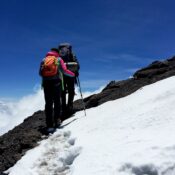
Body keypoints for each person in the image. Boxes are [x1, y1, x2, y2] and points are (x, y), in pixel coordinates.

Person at [39, 48, 75, 133]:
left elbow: (40, 73)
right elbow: (64, 71)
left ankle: (49, 125)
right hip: (57, 83)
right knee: (57, 102)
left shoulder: (44, 60)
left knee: (48, 103)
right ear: (57, 52)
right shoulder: (59, 59)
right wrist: (73, 74)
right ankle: (57, 121)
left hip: (46, 84)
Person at [58, 43, 80, 117]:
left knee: (62, 92)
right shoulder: (72, 55)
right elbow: (78, 66)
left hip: (61, 76)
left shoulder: (59, 56)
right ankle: (70, 107)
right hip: (71, 76)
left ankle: (63, 109)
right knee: (71, 91)